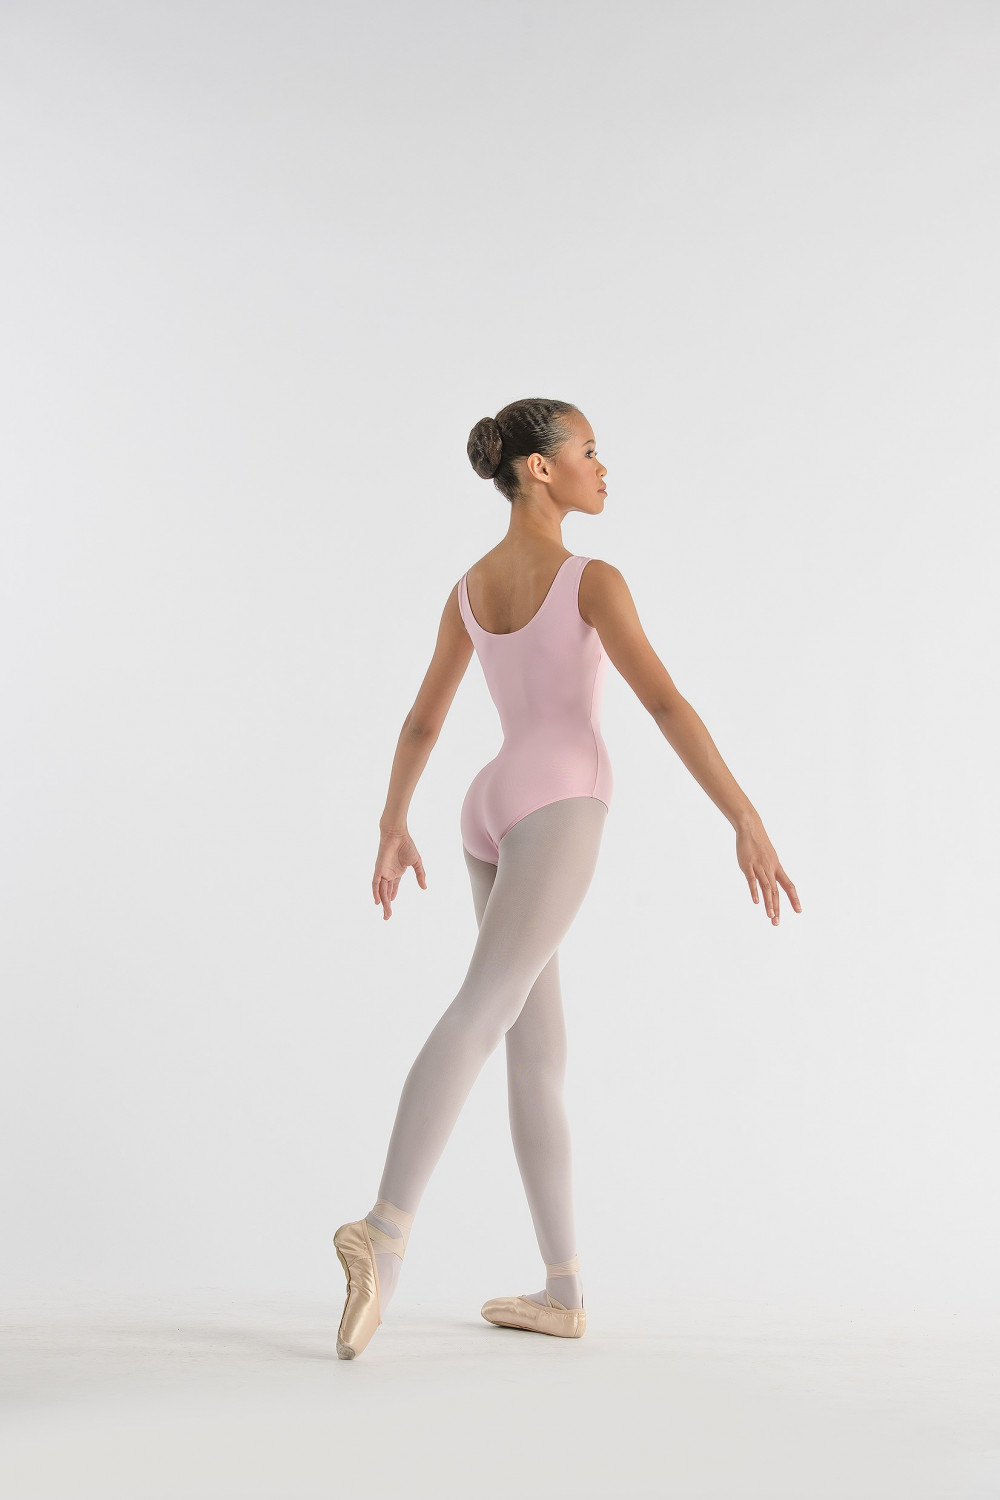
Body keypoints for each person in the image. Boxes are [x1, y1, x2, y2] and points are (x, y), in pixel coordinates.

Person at [334, 396, 801, 1359]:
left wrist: (393, 822)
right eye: (589, 449)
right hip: (558, 798)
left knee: (533, 1047)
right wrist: (745, 817)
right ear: (540, 468)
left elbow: (423, 720)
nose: (602, 466)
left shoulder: (470, 587)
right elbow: (663, 702)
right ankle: (382, 1229)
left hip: (489, 799)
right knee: (485, 1011)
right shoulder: (591, 579)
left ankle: (563, 1290)